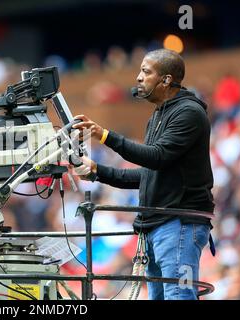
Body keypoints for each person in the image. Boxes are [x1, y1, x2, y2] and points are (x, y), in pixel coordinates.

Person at [72, 48, 215, 300]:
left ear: (166, 80)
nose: (138, 77)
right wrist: (97, 171)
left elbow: (155, 157)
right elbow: (149, 175)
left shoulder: (189, 113)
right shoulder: (157, 117)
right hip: (158, 225)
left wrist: (104, 135)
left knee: (178, 296)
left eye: (146, 72)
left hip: (178, 223)